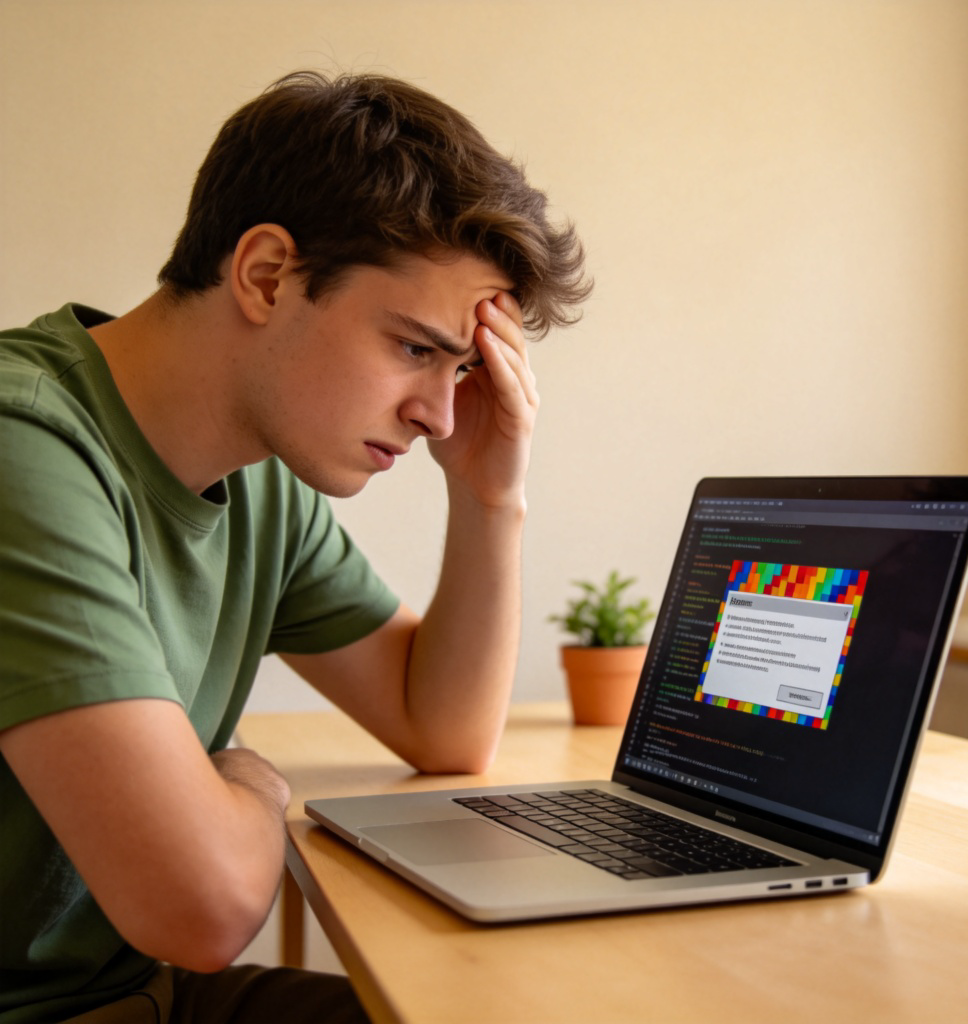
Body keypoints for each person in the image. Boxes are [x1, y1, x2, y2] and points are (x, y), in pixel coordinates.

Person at [0, 70, 590, 1023]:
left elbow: (443, 728)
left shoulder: (260, 480)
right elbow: (200, 909)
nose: (439, 415)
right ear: (267, 274)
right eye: (413, 348)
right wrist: (247, 776)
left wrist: (489, 494)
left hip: (138, 995)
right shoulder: (23, 450)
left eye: (463, 368)